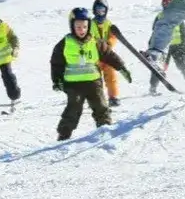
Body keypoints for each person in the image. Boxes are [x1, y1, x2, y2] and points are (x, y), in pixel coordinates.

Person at [50, 7, 132, 140]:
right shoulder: (65, 43)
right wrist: (57, 80)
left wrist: (121, 67)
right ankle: (63, 135)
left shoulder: (95, 42)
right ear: (72, 26)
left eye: (84, 26)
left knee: (101, 106)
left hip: (93, 82)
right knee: (73, 109)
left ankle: (105, 131)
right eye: (78, 27)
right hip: (73, 84)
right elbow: (56, 63)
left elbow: (109, 55)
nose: (81, 30)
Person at [149, 0, 185, 94]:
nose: (168, 5)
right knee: (158, 66)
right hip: (164, 46)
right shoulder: (160, 16)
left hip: (178, 46)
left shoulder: (179, 16)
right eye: (166, 3)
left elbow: (184, 32)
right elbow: (155, 31)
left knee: (182, 64)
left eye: (170, 3)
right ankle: (153, 88)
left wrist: (184, 45)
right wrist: (153, 45)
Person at [91, 0, 120, 107]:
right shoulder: (90, 23)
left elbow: (113, 36)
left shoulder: (108, 23)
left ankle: (113, 97)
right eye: (98, 10)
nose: (100, 13)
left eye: (103, 10)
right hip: (95, 57)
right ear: (94, 11)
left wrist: (109, 43)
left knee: (111, 76)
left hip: (107, 55)